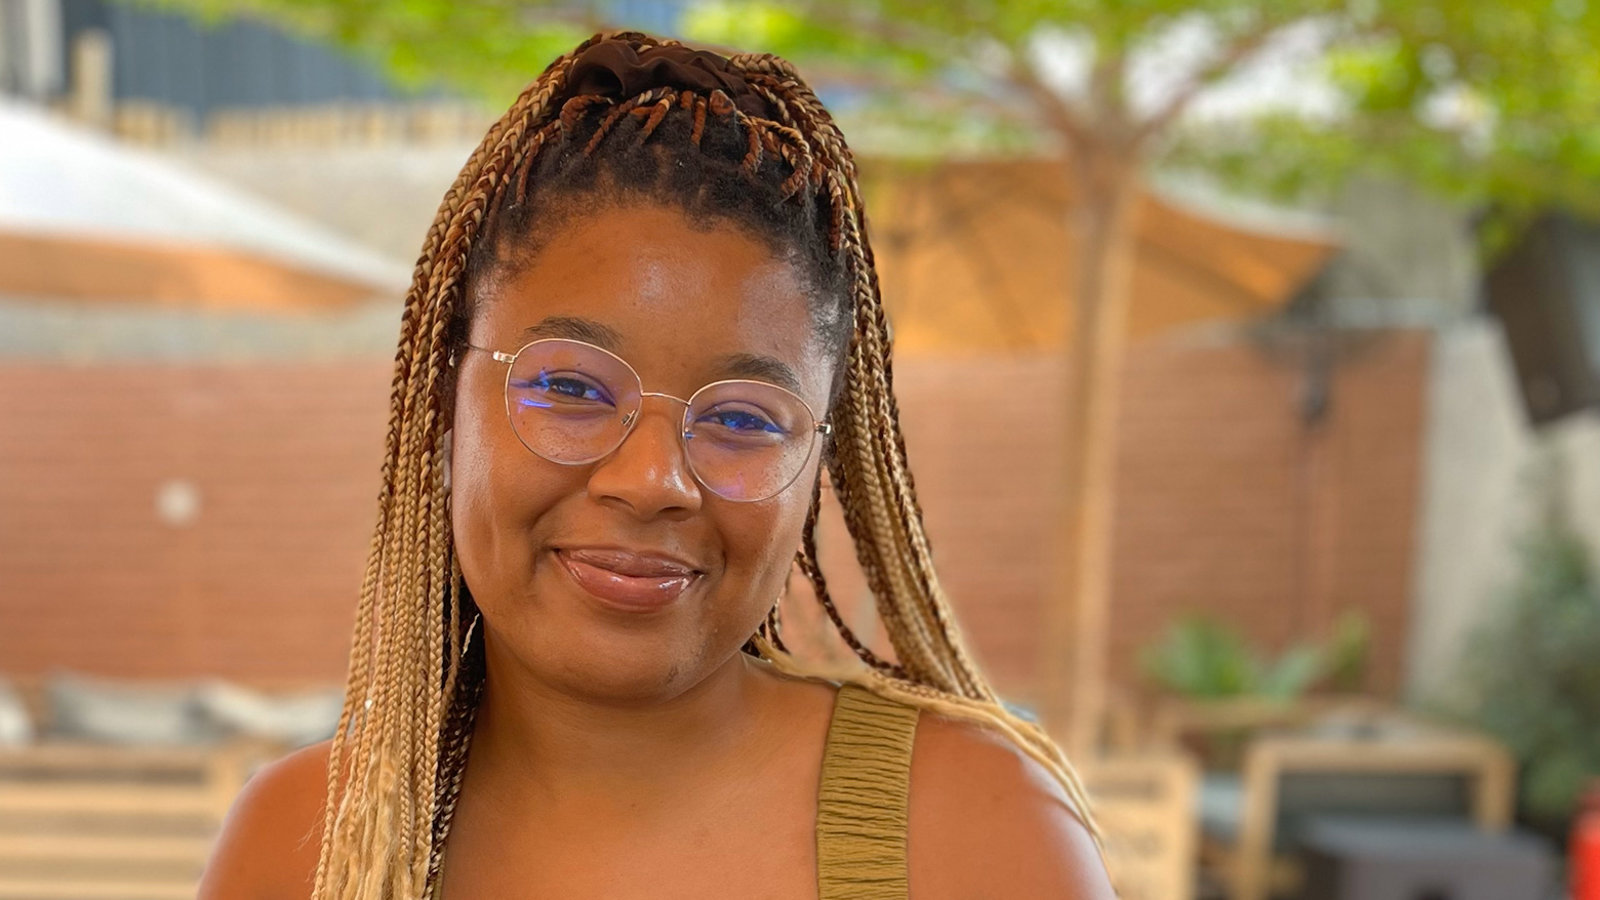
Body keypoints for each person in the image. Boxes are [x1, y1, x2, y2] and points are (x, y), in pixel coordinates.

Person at [199, 31, 1115, 900]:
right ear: (445, 402)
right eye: (572, 387)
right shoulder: (304, 848)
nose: (652, 480)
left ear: (820, 464)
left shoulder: (974, 832)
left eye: (746, 417)